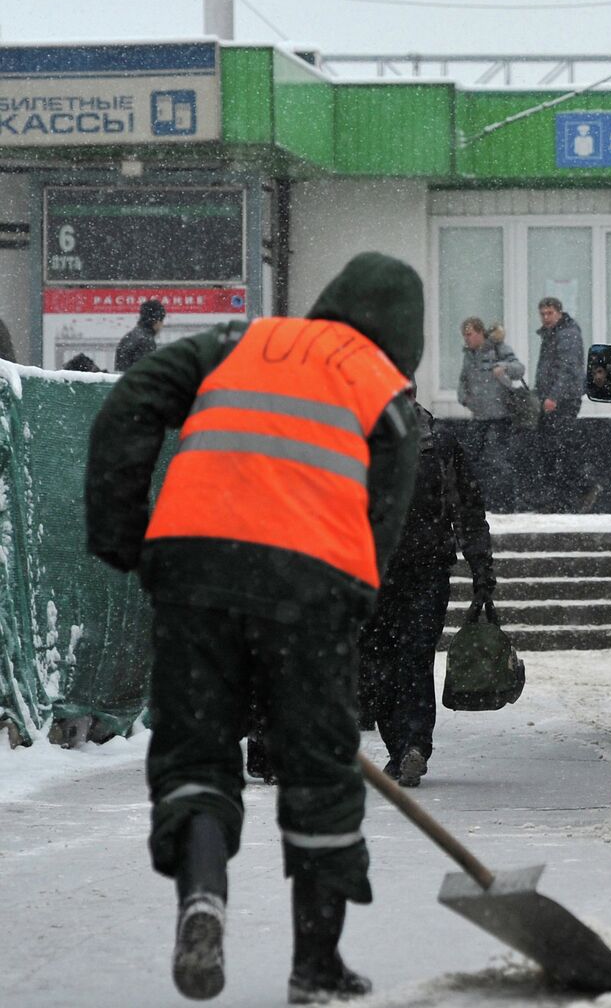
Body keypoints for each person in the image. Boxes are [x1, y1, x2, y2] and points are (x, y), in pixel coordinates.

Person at [84, 252, 423, 1002]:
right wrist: (333, 637)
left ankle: (202, 898)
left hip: (193, 570)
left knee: (197, 755)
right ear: (406, 337)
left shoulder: (240, 342)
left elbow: (132, 398)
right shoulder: (386, 395)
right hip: (310, 589)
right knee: (320, 776)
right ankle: (315, 967)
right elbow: (380, 534)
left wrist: (124, 533)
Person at [359, 401, 495, 787]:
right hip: (378, 573)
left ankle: (413, 745)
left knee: (410, 657)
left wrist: (482, 567)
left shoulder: (437, 444)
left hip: (420, 571)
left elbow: (467, 509)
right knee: (383, 662)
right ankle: (401, 747)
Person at [455, 316, 524, 511]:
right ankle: (478, 501)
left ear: (479, 333)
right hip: (479, 417)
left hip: (500, 417)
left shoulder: (498, 349)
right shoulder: (468, 355)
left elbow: (519, 369)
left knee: (499, 461)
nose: (466, 339)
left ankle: (505, 503)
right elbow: (463, 379)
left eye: (469, 334)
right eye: (464, 335)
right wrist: (464, 398)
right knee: (471, 460)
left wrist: (504, 368)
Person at [533, 296, 588, 512]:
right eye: (543, 314)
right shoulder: (553, 334)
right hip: (554, 398)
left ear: (559, 312)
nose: (545, 318)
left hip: (563, 401)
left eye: (549, 313)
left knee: (558, 448)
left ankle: (573, 493)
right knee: (552, 448)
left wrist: (554, 396)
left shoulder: (567, 334)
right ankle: (562, 496)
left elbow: (567, 369)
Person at [115, 298, 166, 371]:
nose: (162, 325)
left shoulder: (129, 337)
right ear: (157, 321)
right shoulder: (146, 341)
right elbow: (146, 373)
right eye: (162, 321)